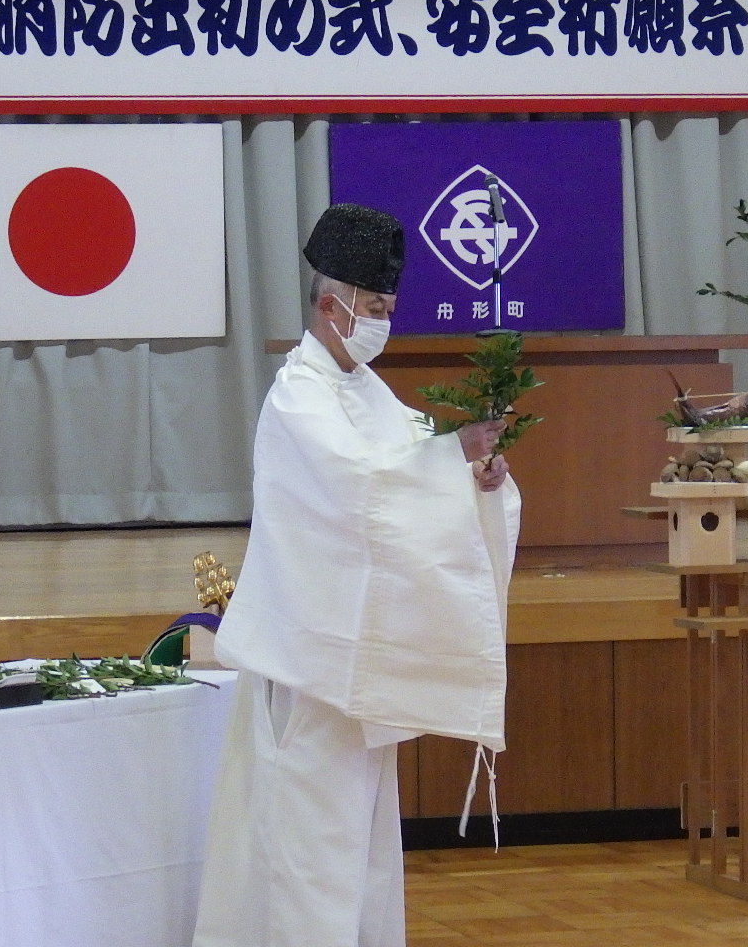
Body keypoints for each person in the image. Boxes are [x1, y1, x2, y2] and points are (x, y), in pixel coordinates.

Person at [193, 203, 520, 947]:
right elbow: (362, 489)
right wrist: (445, 458)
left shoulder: (369, 392)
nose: (382, 322)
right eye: (373, 308)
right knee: (310, 848)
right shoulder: (298, 395)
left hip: (361, 668)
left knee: (361, 852)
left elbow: (411, 468)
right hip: (311, 665)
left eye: (389, 309)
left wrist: (477, 476)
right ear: (328, 303)